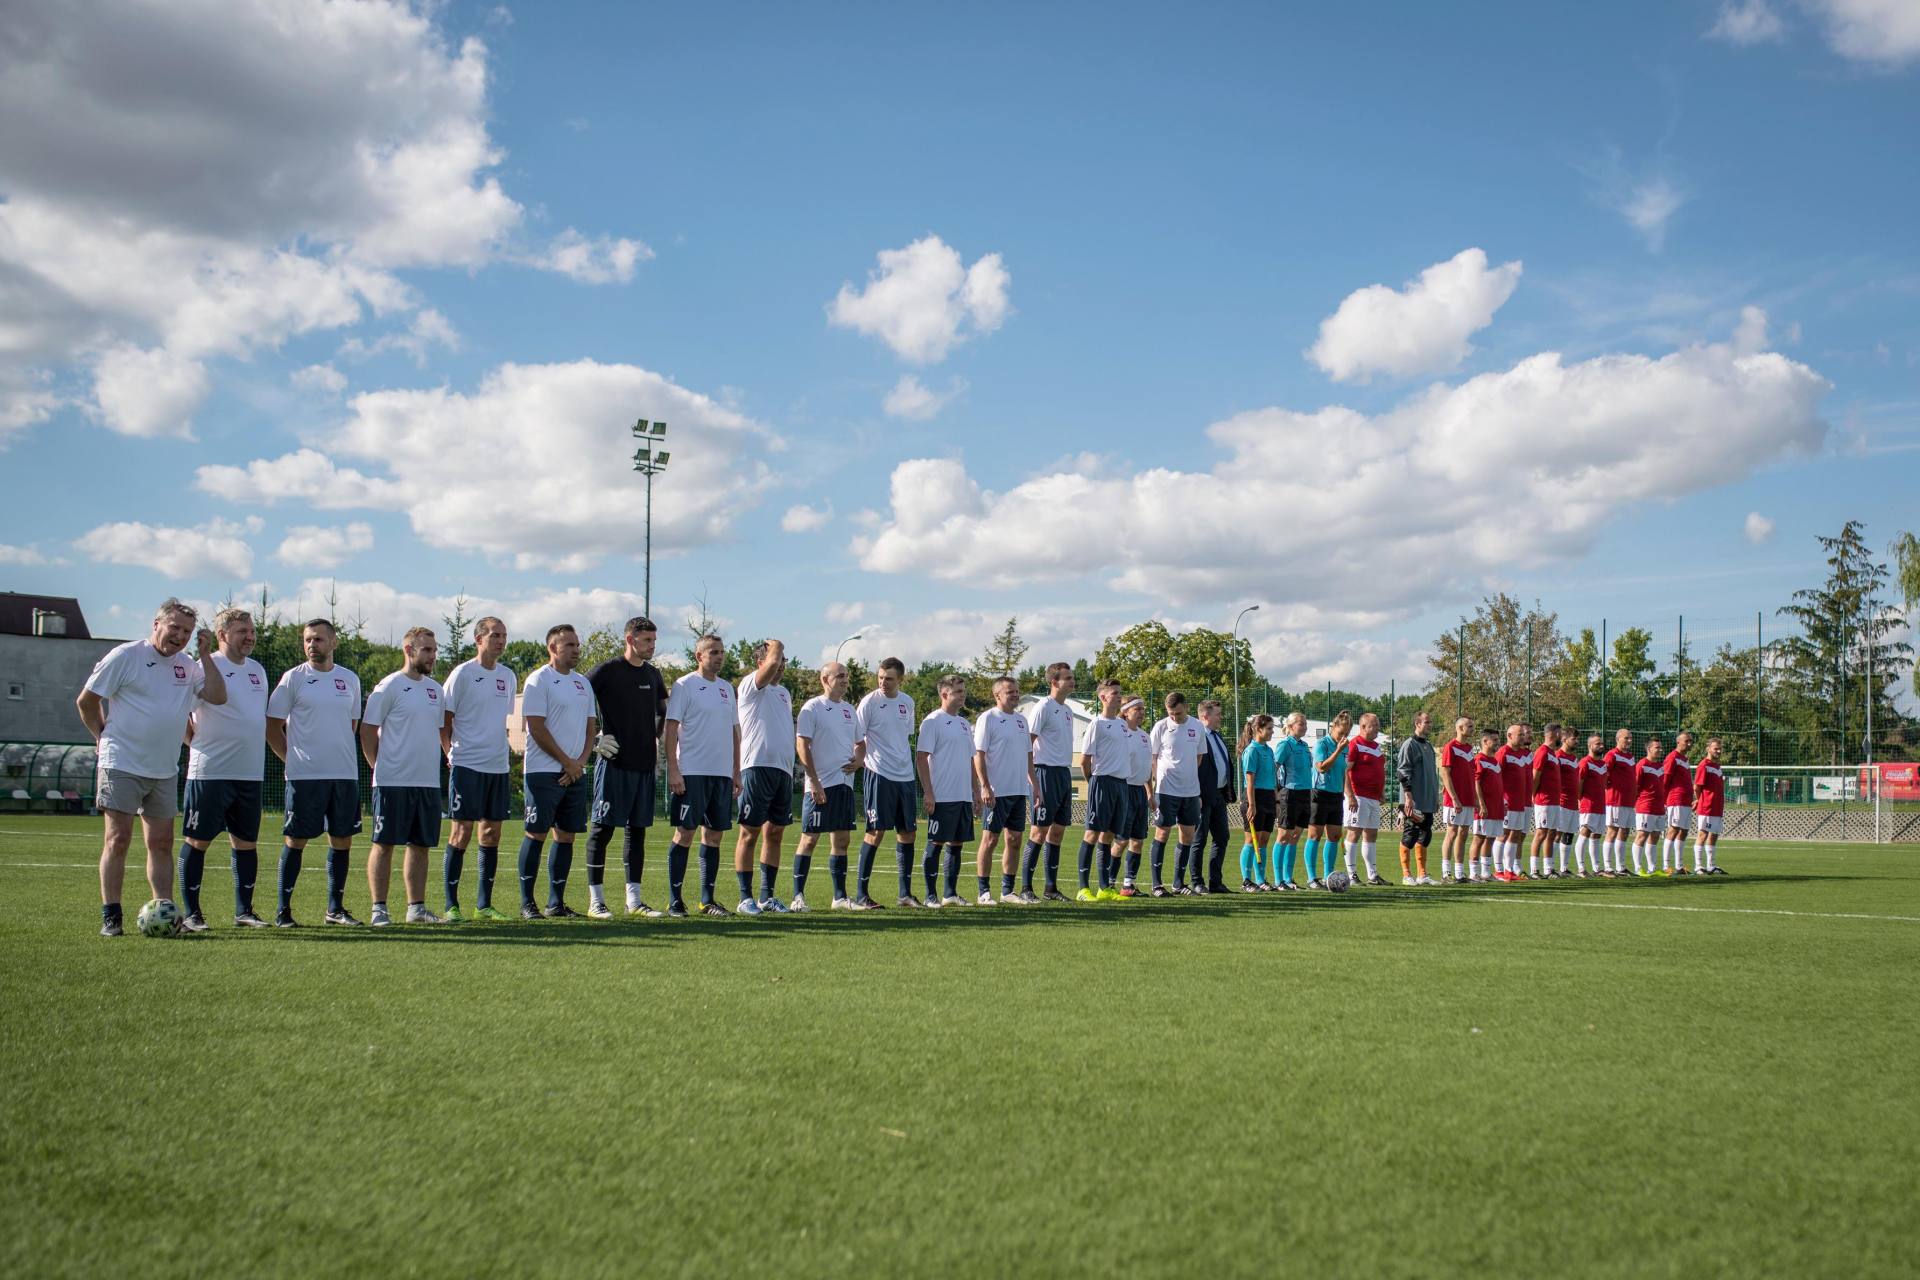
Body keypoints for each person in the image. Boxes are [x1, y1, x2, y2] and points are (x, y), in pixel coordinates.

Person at [76, 598, 228, 936]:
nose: (180, 636)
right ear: (156, 624)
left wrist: (204, 655)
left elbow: (218, 696)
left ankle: (165, 913)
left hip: (164, 768)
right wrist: (101, 737)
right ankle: (111, 917)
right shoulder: (126, 656)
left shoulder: (187, 666)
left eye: (187, 631)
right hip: (122, 763)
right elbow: (86, 701)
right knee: (118, 839)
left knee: (161, 843)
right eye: (174, 627)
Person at [266, 618, 361, 927]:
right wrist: (292, 760)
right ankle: (283, 912)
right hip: (305, 776)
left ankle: (335, 910)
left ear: (333, 643)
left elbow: (351, 726)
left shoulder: (349, 679)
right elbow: (271, 727)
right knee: (296, 840)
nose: (312, 645)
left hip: (344, 774)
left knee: (342, 839)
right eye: (307, 639)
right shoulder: (293, 679)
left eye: (319, 639)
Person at [180, 606, 267, 929]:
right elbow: (181, 718)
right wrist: (199, 747)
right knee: (197, 840)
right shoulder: (202, 667)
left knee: (246, 842)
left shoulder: (258, 670)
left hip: (249, 773)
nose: (250, 637)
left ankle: (244, 912)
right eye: (242, 631)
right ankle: (192, 914)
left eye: (252, 631)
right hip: (210, 773)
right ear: (222, 635)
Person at [360, 626, 445, 925]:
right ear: (409, 650)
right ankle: (379, 909)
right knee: (384, 844)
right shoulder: (389, 686)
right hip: (392, 782)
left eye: (434, 650)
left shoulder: (435, 690)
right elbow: (368, 731)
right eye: (427, 650)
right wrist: (378, 767)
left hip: (427, 783)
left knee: (421, 845)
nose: (432, 656)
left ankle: (416, 909)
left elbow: (434, 731)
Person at [583, 616, 668, 919]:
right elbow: (576, 700)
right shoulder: (606, 671)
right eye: (647, 641)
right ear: (630, 639)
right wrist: (593, 739)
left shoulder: (654, 675)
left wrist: (654, 741)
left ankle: (634, 901)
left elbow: (662, 715)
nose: (652, 646)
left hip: (644, 766)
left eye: (654, 641)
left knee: (637, 833)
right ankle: (596, 901)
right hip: (614, 763)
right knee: (602, 830)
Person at [519, 624, 601, 918]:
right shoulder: (539, 680)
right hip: (543, 771)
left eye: (577, 645)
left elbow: (592, 727)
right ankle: (527, 903)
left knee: (566, 836)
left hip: (575, 772)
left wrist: (579, 763)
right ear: (553, 648)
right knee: (536, 833)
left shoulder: (583, 683)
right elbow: (536, 728)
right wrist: (566, 762)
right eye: (570, 645)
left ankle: (556, 903)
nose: (576, 650)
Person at [441, 615, 517, 921]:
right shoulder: (462, 674)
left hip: (497, 766)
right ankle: (451, 906)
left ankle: (483, 905)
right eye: (495, 635)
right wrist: (450, 753)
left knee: (492, 833)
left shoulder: (509, 677)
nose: (500, 640)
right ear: (479, 639)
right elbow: (444, 721)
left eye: (504, 635)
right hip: (466, 764)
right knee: (461, 832)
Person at [663, 634, 740, 917]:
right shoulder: (685, 685)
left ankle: (707, 900)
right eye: (714, 652)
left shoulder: (727, 689)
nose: (719, 656)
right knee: (685, 834)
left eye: (722, 652)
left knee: (715, 836)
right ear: (699, 656)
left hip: (721, 774)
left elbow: (734, 732)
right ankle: (675, 901)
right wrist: (673, 768)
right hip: (692, 772)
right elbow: (671, 728)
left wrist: (735, 771)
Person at [794, 662, 866, 909]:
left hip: (844, 785)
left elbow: (861, 744)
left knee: (842, 840)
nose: (846, 680)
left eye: (846, 676)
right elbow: (802, 745)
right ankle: (797, 897)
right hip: (820, 785)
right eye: (840, 676)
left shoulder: (849, 710)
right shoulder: (812, 708)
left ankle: (839, 898)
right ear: (825, 679)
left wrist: (859, 761)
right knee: (810, 839)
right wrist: (813, 781)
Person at [734, 638, 795, 914]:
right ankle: (745, 897)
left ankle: (766, 897)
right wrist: (777, 645)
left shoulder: (784, 693)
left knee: (776, 833)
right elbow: (771, 662)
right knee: (750, 832)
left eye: (784, 662)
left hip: (782, 771)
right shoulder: (750, 685)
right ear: (761, 663)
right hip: (756, 767)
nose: (781, 666)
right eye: (777, 661)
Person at [855, 657, 920, 909]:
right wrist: (858, 760)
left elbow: (903, 737)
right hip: (878, 773)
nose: (883, 682)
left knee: (908, 833)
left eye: (889, 678)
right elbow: (857, 738)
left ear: (900, 680)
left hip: (905, 776)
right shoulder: (869, 702)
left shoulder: (908, 702)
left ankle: (905, 894)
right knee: (876, 831)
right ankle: (861, 895)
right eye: (880, 677)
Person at [914, 674, 978, 907]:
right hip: (942, 795)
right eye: (958, 691)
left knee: (957, 843)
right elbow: (921, 758)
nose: (963, 695)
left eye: (963, 691)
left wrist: (975, 790)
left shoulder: (963, 724)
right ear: (944, 694)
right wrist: (928, 792)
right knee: (936, 842)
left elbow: (971, 760)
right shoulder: (933, 721)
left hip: (962, 796)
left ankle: (950, 893)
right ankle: (930, 895)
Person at [972, 676, 1035, 904]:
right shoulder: (987, 718)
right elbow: (978, 755)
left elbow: (1029, 756)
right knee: (990, 840)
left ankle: (1007, 891)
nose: (1016, 695)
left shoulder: (1021, 721)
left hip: (1018, 791)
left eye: (1017, 691)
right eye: (1010, 692)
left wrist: (1034, 786)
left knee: (1015, 839)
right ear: (997, 695)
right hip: (996, 792)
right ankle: (983, 892)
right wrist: (985, 787)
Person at [1023, 662, 1078, 901]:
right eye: (1067, 678)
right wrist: (1033, 779)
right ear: (1054, 682)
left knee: (1057, 833)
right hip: (1044, 773)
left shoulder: (1067, 711)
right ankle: (1026, 888)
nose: (1072, 681)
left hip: (1063, 773)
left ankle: (1050, 888)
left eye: (1072, 677)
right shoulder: (1042, 707)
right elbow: (1028, 744)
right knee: (1039, 832)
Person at [1075, 679, 1130, 902]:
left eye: (1120, 692)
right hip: (1102, 782)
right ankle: (1083, 888)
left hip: (1120, 784)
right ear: (1103, 698)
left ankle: (1104, 887)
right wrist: (1094, 781)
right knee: (1092, 833)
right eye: (1114, 693)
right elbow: (1084, 760)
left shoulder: (1121, 724)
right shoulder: (1096, 724)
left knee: (1108, 836)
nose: (1118, 696)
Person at [1147, 692, 1204, 897]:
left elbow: (1198, 757)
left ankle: (1179, 884)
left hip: (1190, 791)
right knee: (1162, 832)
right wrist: (1154, 785)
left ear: (1186, 707)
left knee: (1187, 835)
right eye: (1170, 713)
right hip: (1166, 790)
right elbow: (1152, 758)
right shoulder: (1160, 727)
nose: (1174, 717)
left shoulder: (1197, 726)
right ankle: (1157, 885)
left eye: (1178, 713)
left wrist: (1188, 778)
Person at [1193, 699, 1236, 894]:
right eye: (1217, 714)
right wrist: (1197, 793)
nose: (1221, 718)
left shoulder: (1216, 736)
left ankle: (1215, 881)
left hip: (1219, 795)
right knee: (1199, 839)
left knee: (1222, 836)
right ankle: (1196, 881)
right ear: (1205, 716)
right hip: (1202, 795)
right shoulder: (1197, 736)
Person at [1342, 712, 1389, 886]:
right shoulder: (1354, 744)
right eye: (1373, 725)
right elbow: (1345, 771)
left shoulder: (1376, 747)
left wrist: (1381, 791)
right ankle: (1352, 874)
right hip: (1358, 796)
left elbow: (1379, 771)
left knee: (1371, 834)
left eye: (1377, 725)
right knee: (1354, 832)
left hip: (1373, 797)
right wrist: (1350, 796)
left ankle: (1372, 875)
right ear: (1363, 727)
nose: (1377, 728)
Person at [1306, 711, 1352, 888]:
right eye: (1341, 733)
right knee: (1314, 835)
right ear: (1333, 727)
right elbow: (1321, 768)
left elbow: (1344, 772)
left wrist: (1347, 793)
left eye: (1347, 733)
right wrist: (1338, 750)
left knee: (1334, 835)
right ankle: (1312, 877)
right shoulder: (1322, 744)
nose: (1344, 736)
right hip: (1319, 793)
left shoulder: (1345, 747)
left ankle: (1328, 876)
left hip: (1336, 794)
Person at [1271, 711, 1314, 890]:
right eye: (1300, 723)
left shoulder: (1304, 746)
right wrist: (1274, 791)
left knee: (1295, 836)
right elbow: (1274, 768)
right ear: (1290, 726)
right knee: (1283, 836)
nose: (1304, 727)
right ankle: (1278, 879)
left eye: (1305, 723)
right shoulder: (1284, 745)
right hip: (1289, 793)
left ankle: (1289, 878)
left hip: (1305, 793)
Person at [1396, 710, 1438, 886]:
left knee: (1425, 835)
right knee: (1410, 835)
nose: (1430, 725)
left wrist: (1435, 797)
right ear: (1417, 724)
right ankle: (1407, 875)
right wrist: (1408, 796)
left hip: (1428, 800)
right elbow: (1403, 772)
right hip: (1413, 800)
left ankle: (1422, 874)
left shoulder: (1428, 746)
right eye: (1427, 722)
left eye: (1430, 722)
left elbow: (1432, 774)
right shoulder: (1409, 745)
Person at [1117, 698, 1153, 896]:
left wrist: (1150, 794)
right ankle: (1109, 882)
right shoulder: (1120, 733)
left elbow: (1146, 768)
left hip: (1140, 791)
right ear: (1125, 712)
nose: (1141, 712)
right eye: (1137, 709)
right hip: (1124, 789)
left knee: (1138, 840)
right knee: (1120, 840)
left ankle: (1128, 884)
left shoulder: (1144, 736)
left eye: (1143, 709)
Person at [1238, 714, 1277, 891]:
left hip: (1268, 797)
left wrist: (1275, 799)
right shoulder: (1252, 750)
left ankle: (1261, 880)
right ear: (1259, 729)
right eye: (1269, 728)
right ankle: (1247, 880)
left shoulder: (1268, 750)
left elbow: (1273, 777)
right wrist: (1251, 805)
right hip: (1255, 798)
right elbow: (1250, 780)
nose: (1272, 731)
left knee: (1264, 840)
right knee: (1251, 840)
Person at [1438, 716, 1477, 884]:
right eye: (1469, 726)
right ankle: (1446, 873)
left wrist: (1474, 797)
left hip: (1468, 799)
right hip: (1455, 800)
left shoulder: (1469, 749)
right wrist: (1454, 798)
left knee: (1463, 833)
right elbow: (1445, 772)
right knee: (1452, 832)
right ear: (1460, 728)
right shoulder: (1450, 747)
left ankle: (1459, 873)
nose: (1472, 729)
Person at [1496, 724, 1533, 881]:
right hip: (1508, 802)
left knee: (1516, 834)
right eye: (1520, 734)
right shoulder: (1503, 752)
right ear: (1509, 735)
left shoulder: (1524, 754)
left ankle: (1509, 869)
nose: (1523, 737)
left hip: (1521, 802)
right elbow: (1496, 777)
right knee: (1503, 835)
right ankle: (1499, 870)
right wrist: (1501, 799)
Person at [1602, 729, 1637, 878]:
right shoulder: (1612, 755)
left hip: (1628, 801)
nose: (1629, 740)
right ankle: (1608, 867)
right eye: (1626, 738)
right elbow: (1604, 773)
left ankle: (1621, 867)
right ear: (1618, 739)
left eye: (1630, 738)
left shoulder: (1630, 757)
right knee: (1612, 831)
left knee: (1625, 832)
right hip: (1615, 800)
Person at [1661, 730, 1697, 876]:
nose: (1689, 744)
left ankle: (1679, 866)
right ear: (1678, 742)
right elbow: (1665, 780)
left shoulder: (1685, 759)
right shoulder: (1672, 757)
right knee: (1673, 830)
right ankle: (1666, 865)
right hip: (1675, 800)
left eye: (1690, 741)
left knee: (1683, 832)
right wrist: (1664, 800)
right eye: (1686, 741)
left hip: (1686, 801)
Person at [1529, 723, 1562, 878]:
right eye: (1559, 734)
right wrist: (1532, 795)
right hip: (1544, 801)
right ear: (1553, 734)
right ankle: (1534, 869)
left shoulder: (1552, 753)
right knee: (1541, 833)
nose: (1561, 737)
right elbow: (1535, 775)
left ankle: (1549, 869)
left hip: (1554, 801)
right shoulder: (1542, 752)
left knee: (1552, 833)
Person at [1473, 728, 1507, 879]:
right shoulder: (1479, 760)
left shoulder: (1494, 761)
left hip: (1496, 807)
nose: (1497, 742)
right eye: (1494, 740)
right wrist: (1481, 804)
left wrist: (1503, 803)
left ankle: (1486, 872)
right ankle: (1474, 873)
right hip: (1484, 808)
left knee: (1491, 837)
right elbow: (1476, 783)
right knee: (1479, 838)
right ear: (1485, 742)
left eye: (1497, 739)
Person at [1573, 733, 1609, 877]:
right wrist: (1580, 800)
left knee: (1596, 836)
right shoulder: (1585, 762)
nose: (1601, 746)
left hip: (1601, 805)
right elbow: (1579, 784)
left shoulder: (1603, 764)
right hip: (1588, 805)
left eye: (1601, 743)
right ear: (1589, 746)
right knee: (1585, 833)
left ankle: (1597, 868)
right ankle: (1581, 868)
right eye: (1597, 744)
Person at [1631, 736, 1666, 876]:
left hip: (1659, 807)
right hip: (1645, 806)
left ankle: (1652, 867)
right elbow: (1635, 786)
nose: (1660, 750)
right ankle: (1638, 868)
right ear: (1649, 749)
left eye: (1660, 747)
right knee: (1642, 836)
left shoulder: (1661, 766)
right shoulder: (1642, 765)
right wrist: (1636, 803)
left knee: (1655, 836)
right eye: (1657, 747)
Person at [1693, 738, 1728, 874]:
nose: (1718, 751)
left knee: (1714, 835)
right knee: (1702, 835)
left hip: (1717, 807)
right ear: (1708, 749)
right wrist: (1700, 800)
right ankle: (1698, 866)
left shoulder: (1717, 766)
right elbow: (1697, 786)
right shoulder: (1704, 765)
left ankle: (1711, 866)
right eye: (1715, 748)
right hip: (1706, 807)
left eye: (1720, 749)